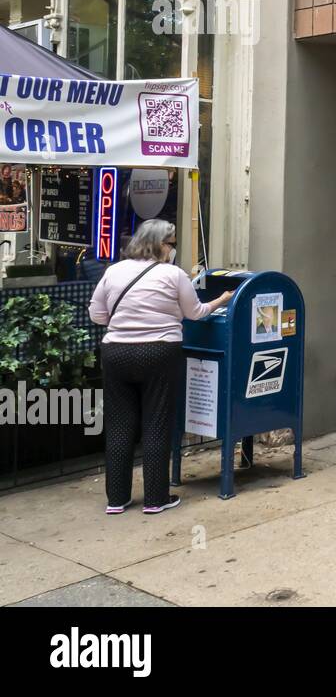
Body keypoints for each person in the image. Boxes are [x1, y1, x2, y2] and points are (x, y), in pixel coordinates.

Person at [89, 220, 232, 514]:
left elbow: (97, 315)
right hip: (159, 351)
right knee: (156, 423)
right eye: (172, 243)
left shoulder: (113, 271)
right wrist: (223, 299)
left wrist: (127, 322)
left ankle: (117, 499)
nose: (173, 248)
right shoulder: (172, 274)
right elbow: (195, 312)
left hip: (116, 352)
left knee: (119, 426)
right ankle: (155, 499)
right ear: (160, 244)